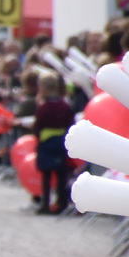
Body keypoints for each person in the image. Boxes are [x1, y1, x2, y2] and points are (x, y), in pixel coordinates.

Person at [34, 71, 74, 214]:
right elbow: (70, 122)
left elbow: (38, 125)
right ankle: (61, 202)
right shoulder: (65, 105)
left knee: (46, 174)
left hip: (46, 142)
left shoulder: (43, 107)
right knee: (61, 173)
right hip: (61, 141)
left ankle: (45, 203)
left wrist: (37, 137)